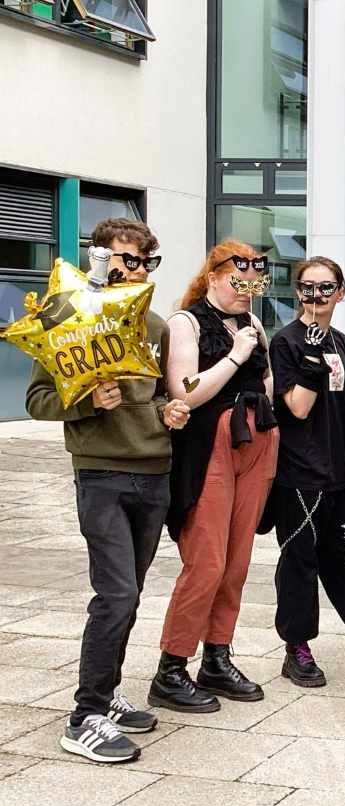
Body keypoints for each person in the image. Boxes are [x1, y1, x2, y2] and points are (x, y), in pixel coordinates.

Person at [27, 219, 190, 763]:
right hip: (100, 475)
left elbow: (165, 401)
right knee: (116, 594)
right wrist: (86, 403)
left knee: (130, 594)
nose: (137, 270)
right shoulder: (68, 318)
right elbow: (37, 401)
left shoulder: (156, 326)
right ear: (101, 259)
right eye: (127, 259)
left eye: (146, 262)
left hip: (154, 475)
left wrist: (172, 413)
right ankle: (85, 715)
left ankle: (108, 693)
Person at [150, 240, 278, 713]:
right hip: (210, 448)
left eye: (255, 281)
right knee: (205, 562)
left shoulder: (254, 323)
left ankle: (217, 658)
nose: (247, 289)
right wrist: (235, 355)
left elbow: (267, 385)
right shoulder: (186, 322)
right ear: (214, 275)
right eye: (238, 280)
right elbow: (184, 391)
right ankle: (171, 667)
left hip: (257, 441)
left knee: (237, 562)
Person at [268, 256, 345, 687]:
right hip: (298, 475)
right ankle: (296, 647)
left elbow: (341, 403)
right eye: (308, 288)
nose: (317, 296)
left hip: (336, 470)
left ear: (341, 292)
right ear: (298, 292)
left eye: (326, 288)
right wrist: (312, 353)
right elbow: (296, 406)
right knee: (299, 560)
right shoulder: (288, 342)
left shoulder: (342, 342)